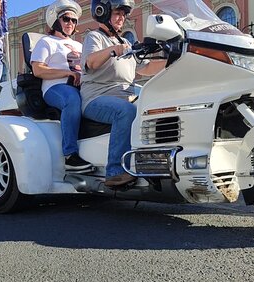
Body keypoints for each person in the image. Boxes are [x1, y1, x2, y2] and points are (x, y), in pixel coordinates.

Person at [81, 0, 167, 187]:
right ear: (102, 12)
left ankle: (154, 161)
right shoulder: (94, 37)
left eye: (124, 14)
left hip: (126, 95)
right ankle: (115, 172)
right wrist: (112, 50)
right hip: (96, 98)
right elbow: (91, 62)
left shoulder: (125, 42)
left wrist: (173, 60)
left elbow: (146, 68)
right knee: (125, 112)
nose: (122, 18)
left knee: (157, 103)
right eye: (117, 13)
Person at [30, 0, 94, 173]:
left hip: (82, 86)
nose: (70, 24)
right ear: (56, 21)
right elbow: (37, 69)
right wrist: (68, 73)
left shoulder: (80, 45)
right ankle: (70, 156)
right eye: (66, 19)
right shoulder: (46, 42)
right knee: (72, 100)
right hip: (56, 88)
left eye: (74, 21)